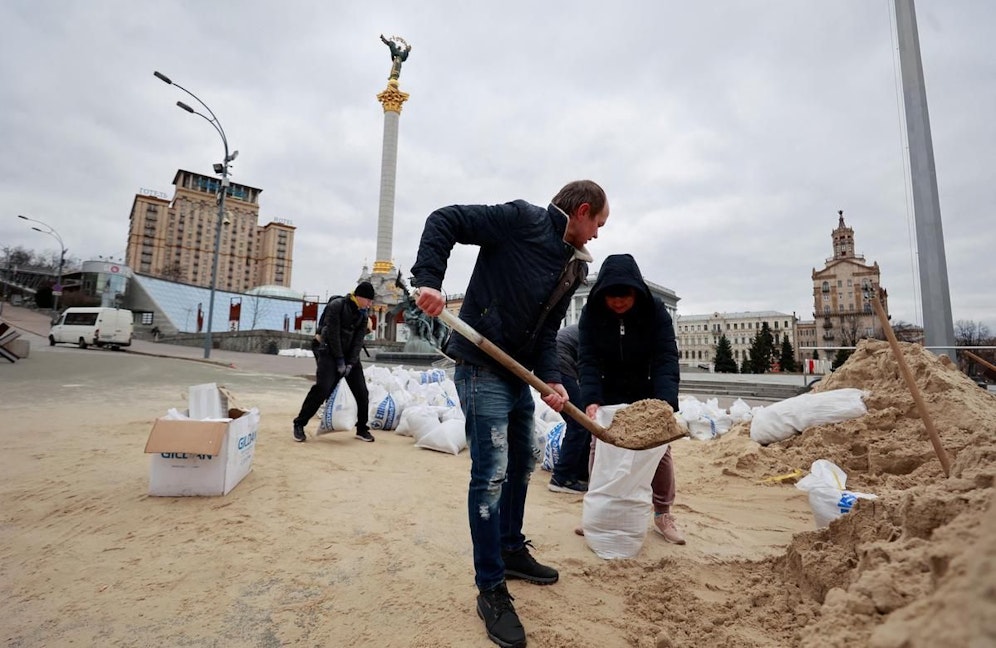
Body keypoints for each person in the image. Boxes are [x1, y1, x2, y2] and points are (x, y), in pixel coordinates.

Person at [412, 180, 610, 648]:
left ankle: (510, 549)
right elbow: (446, 219)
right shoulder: (523, 220)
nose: (598, 235)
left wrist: (553, 378)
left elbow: (546, 333)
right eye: (599, 224)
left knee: (524, 459)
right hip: (481, 366)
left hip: (517, 371)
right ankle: (491, 587)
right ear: (581, 211)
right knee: (491, 474)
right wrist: (429, 281)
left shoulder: (573, 268)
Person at [578, 253, 686, 545]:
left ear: (636, 292)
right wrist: (591, 399)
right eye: (612, 297)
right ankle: (597, 513)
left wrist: (664, 403)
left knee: (659, 451)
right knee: (599, 447)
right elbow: (587, 359)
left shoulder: (655, 311)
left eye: (624, 296)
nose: (618, 303)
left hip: (646, 390)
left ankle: (662, 513)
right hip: (608, 389)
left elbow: (666, 356)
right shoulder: (592, 314)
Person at [292, 281, 375, 443]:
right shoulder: (337, 306)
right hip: (329, 353)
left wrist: (350, 363)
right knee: (322, 389)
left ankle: (362, 428)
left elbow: (358, 341)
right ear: (359, 297)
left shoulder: (363, 315)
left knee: (362, 392)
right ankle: (299, 424)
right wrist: (339, 361)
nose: (370, 304)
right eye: (368, 300)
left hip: (350, 357)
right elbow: (332, 334)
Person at [548, 323, 591, 493]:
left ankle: (580, 473)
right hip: (558, 364)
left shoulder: (589, 329)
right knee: (579, 422)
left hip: (553, 363)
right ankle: (562, 477)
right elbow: (589, 369)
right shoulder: (597, 332)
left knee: (584, 423)